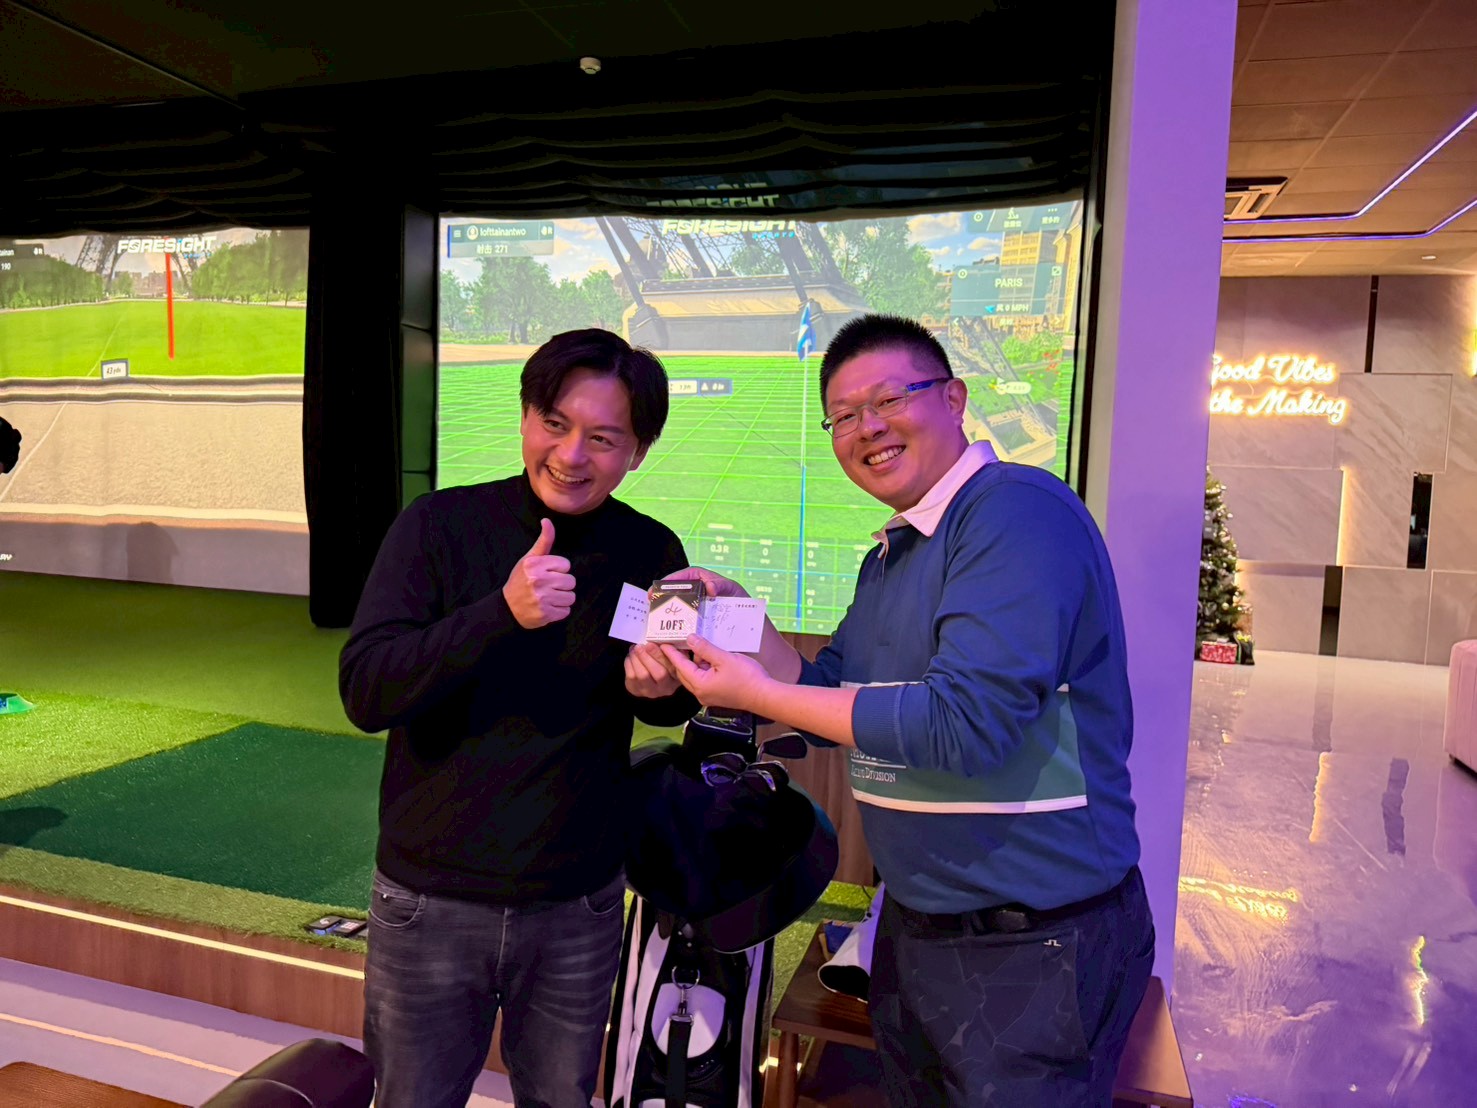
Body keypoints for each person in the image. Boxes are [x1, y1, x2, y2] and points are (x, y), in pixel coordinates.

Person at [652, 314, 1153, 1107]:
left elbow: (966, 726)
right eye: (844, 416)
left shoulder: (1015, 512)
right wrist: (739, 615)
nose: (868, 427)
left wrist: (754, 695)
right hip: (920, 925)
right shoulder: (893, 551)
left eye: (889, 399)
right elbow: (823, 684)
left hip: (1034, 939)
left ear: (953, 399)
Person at [339, 328, 696, 1108]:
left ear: (638, 451)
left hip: (577, 904)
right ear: (527, 416)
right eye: (555, 424)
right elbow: (366, 691)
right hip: (430, 901)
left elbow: (675, 698)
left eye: (603, 438)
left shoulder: (652, 549)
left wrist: (658, 688)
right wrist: (500, 612)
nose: (570, 455)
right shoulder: (436, 525)